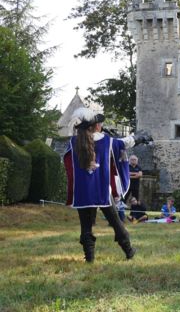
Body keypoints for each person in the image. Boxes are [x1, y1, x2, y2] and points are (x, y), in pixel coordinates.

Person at [63, 107, 151, 262]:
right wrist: (140, 137)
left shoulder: (73, 142)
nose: (101, 125)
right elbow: (126, 142)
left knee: (86, 226)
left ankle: (89, 258)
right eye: (99, 123)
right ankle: (129, 251)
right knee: (116, 223)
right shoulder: (107, 141)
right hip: (102, 191)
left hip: (82, 192)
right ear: (94, 126)